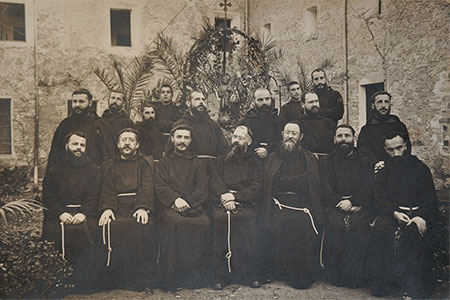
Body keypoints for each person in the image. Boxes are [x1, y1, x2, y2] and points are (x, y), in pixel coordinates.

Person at [368, 132, 438, 299]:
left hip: (417, 214)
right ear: (385, 150)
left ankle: (413, 287)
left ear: (405, 146)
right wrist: (394, 212)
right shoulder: (384, 172)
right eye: (391, 150)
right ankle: (384, 284)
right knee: (381, 229)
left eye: (399, 148)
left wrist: (421, 216)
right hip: (394, 212)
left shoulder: (421, 169)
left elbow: (430, 198)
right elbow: (378, 197)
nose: (396, 153)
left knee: (413, 234)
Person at [262, 122, 325, 289]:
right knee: (279, 224)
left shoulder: (309, 158)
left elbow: (309, 183)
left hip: (303, 205)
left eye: (294, 133)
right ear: (282, 134)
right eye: (288, 132)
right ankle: (279, 270)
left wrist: (286, 181)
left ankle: (299, 274)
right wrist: (295, 181)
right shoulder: (271, 158)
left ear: (300, 137)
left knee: (303, 225)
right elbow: (272, 184)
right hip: (278, 205)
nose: (290, 136)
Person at [42, 131, 101, 292]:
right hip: (60, 214)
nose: (79, 148)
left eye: (82, 145)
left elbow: (94, 195)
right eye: (75, 144)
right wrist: (60, 212)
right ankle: (57, 282)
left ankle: (85, 282)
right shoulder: (55, 170)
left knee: (92, 230)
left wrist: (84, 213)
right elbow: (48, 196)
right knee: (52, 231)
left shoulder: (93, 170)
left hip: (84, 213)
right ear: (66, 146)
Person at [98, 128, 154, 290]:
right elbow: (107, 188)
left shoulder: (145, 163)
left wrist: (143, 207)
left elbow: (147, 187)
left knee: (140, 226)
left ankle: (137, 280)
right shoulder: (109, 165)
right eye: (124, 140)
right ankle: (114, 279)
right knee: (110, 226)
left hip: (137, 206)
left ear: (137, 145)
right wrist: (108, 208)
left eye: (131, 140)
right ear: (118, 144)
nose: (127, 143)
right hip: (116, 207)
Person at [155, 124, 210, 289]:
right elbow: (160, 186)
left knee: (203, 223)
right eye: (179, 137)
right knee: (174, 223)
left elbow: (202, 189)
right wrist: (175, 200)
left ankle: (194, 278)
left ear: (191, 140)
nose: (182, 141)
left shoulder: (198, 163)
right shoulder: (164, 162)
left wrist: (188, 203)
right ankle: (171, 278)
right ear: (172, 139)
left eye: (186, 138)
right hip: (170, 206)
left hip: (193, 206)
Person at [209, 125, 263, 290]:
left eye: (240, 138)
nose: (236, 141)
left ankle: (248, 274)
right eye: (234, 137)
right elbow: (214, 180)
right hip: (222, 203)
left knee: (248, 222)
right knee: (219, 220)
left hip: (245, 204)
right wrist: (225, 196)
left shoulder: (255, 162)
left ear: (249, 141)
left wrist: (236, 196)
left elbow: (257, 185)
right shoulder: (220, 160)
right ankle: (220, 275)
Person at [320, 124, 374, 288]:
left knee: (359, 226)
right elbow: (325, 187)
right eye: (340, 136)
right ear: (334, 139)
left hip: (359, 205)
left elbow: (369, 187)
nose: (343, 139)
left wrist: (353, 202)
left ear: (353, 138)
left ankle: (356, 277)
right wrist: (340, 203)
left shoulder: (365, 161)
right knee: (335, 226)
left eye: (347, 136)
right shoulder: (327, 161)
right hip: (334, 205)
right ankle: (335, 275)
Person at [46, 88, 114, 173]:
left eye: (81, 102)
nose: (77, 105)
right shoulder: (65, 125)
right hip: (68, 175)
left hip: (93, 175)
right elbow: (55, 153)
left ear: (90, 103)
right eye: (74, 102)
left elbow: (108, 154)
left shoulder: (101, 125)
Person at [171, 89, 228, 159]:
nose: (201, 102)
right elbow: (170, 153)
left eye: (203, 100)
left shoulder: (214, 125)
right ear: (188, 103)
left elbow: (224, 150)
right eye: (197, 99)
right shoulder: (180, 125)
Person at [357, 91, 411, 165]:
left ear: (390, 104)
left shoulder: (399, 126)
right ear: (373, 106)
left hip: (398, 166)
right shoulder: (367, 129)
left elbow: (406, 147)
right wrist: (375, 164)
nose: (383, 105)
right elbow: (363, 151)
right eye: (379, 102)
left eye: (386, 102)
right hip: (377, 168)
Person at [241, 87, 281, 159]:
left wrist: (268, 150)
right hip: (252, 159)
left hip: (273, 158)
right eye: (260, 100)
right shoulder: (246, 120)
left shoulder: (277, 119)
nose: (264, 102)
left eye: (267, 99)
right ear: (254, 101)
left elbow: (280, 140)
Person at [298, 91, 335, 155]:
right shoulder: (298, 124)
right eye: (311, 102)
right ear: (302, 104)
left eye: (316, 101)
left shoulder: (329, 123)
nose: (315, 104)